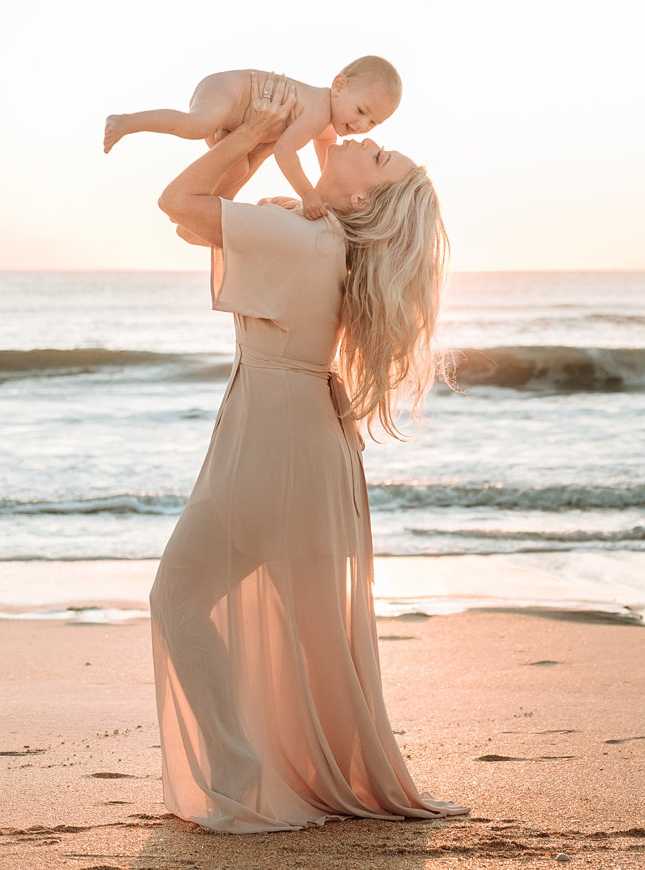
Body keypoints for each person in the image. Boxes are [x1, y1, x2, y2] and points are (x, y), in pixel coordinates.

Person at [149, 71, 466, 833]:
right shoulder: (315, 238)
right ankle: (348, 778)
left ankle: (237, 771)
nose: (361, 138)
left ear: (363, 199)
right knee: (317, 638)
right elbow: (200, 222)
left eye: (379, 154)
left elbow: (176, 204)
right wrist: (252, 143)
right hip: (303, 440)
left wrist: (257, 135)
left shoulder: (307, 237)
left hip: (275, 439)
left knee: (178, 599)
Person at [106, 56, 402, 220]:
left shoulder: (326, 127)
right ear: (338, 86)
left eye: (373, 122)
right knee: (196, 125)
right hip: (229, 91)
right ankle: (126, 122)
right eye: (362, 110)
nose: (363, 125)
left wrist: (328, 196)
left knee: (239, 168)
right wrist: (308, 194)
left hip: (239, 118)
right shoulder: (317, 111)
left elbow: (328, 160)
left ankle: (199, 212)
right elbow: (285, 151)